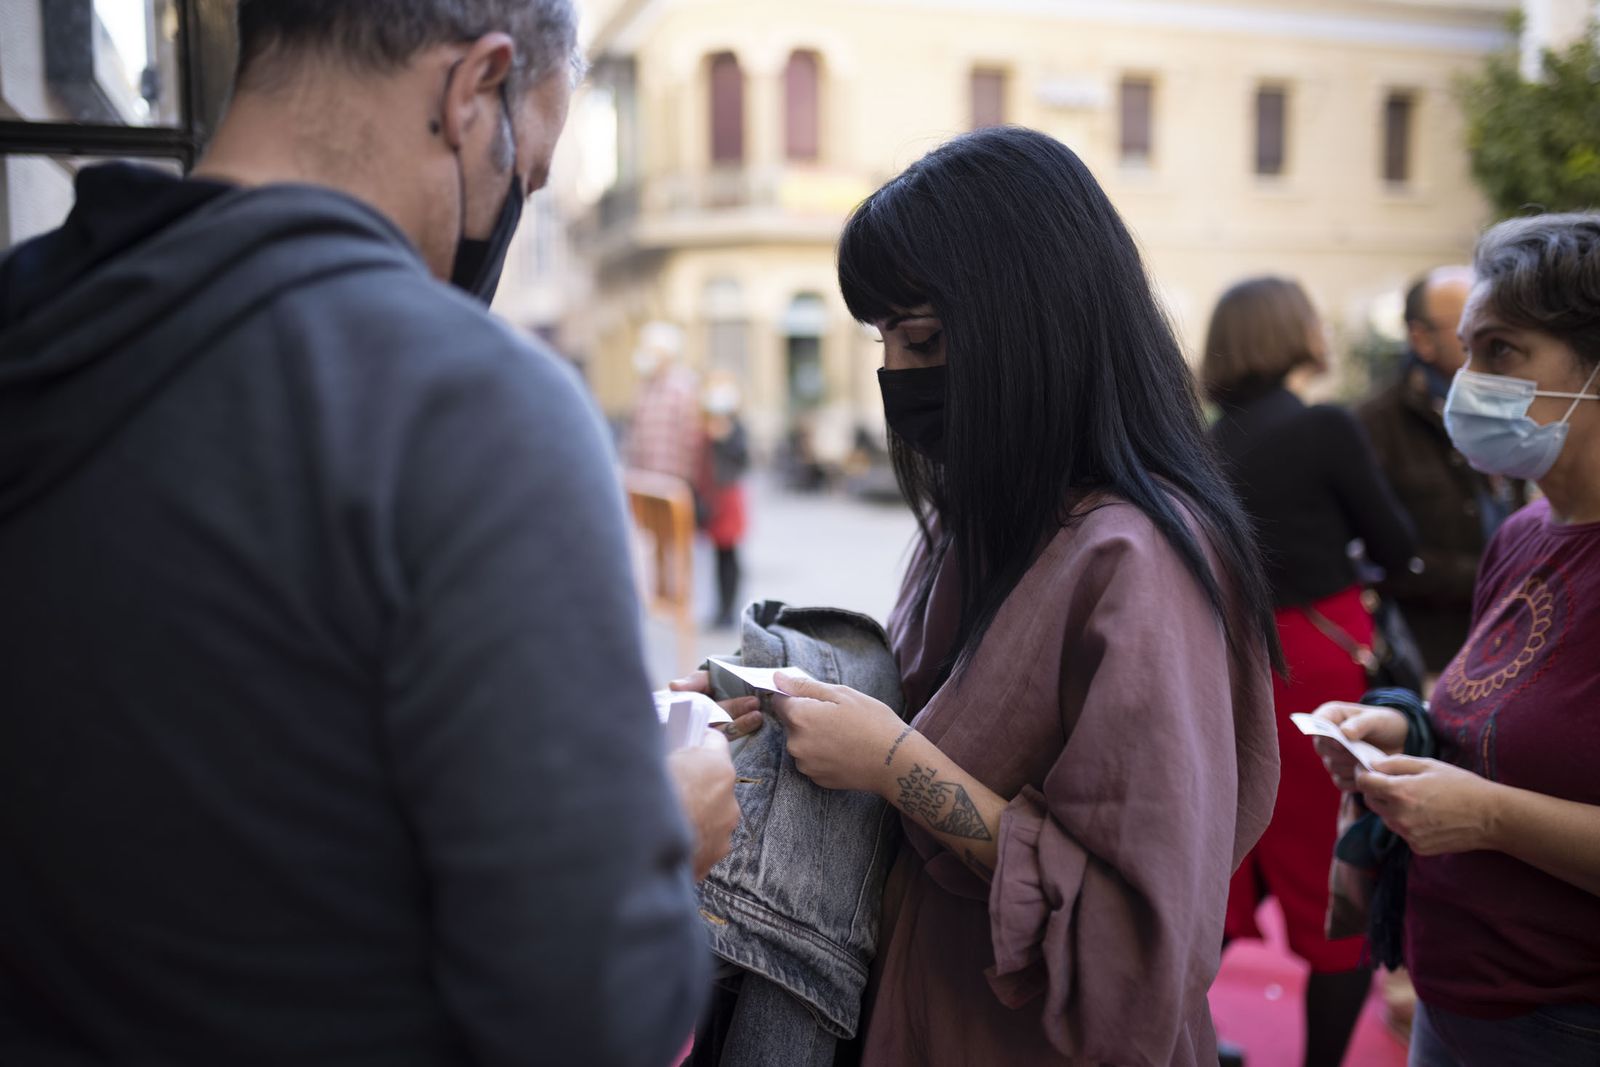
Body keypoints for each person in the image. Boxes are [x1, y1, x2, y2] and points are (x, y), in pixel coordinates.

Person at [0, 3, 739, 1064]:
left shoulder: (36, 328)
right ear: (472, 91)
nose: (505, 215)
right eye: (521, 179)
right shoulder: (473, 408)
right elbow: (595, 1012)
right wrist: (660, 838)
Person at [684, 125, 1281, 1065]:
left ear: (1029, 328)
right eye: (884, 342)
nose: (897, 378)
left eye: (921, 339)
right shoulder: (985, 523)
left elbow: (1135, 946)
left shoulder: (1139, 562)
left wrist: (892, 765)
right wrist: (779, 703)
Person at [1313, 213, 1600, 1067]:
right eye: (1465, 350)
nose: (1463, 383)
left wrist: (1484, 816)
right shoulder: (1523, 535)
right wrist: (1408, 734)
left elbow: (1503, 796)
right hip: (1458, 999)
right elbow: (1505, 724)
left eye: (1502, 352)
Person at [1202, 277, 1417, 1067]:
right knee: (1330, 881)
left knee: (1224, 862)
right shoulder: (1325, 427)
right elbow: (1396, 544)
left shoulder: (1202, 443)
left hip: (1228, 666)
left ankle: (1171, 1038)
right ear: (1291, 333)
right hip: (1319, 677)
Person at [1358, 267, 1524, 673]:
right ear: (1421, 339)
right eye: (1469, 324)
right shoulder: (1374, 425)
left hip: (1521, 640)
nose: (1490, 337)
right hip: (1438, 656)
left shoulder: (1521, 401)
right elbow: (1375, 556)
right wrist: (1495, 575)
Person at [696, 373, 751, 629]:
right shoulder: (705, 427)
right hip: (714, 498)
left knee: (730, 556)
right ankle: (720, 608)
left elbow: (743, 461)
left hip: (729, 498)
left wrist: (726, 437)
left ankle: (729, 610)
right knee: (718, 557)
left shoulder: (736, 429)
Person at [624, 319, 703, 486]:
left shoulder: (683, 388)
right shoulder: (642, 389)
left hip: (675, 483)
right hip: (646, 481)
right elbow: (636, 436)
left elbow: (691, 440)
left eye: (652, 351)